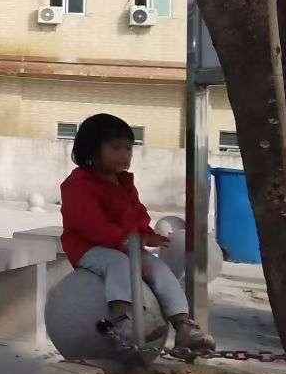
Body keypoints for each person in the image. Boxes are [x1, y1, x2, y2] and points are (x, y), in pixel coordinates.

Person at [60, 113, 216, 355]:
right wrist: (125, 242)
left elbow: (136, 212)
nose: (124, 155)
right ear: (92, 148)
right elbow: (88, 223)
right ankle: (123, 321)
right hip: (89, 249)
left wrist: (145, 232)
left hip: (127, 246)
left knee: (159, 269)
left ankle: (183, 325)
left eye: (129, 149)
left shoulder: (123, 183)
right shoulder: (78, 183)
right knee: (120, 265)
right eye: (116, 148)